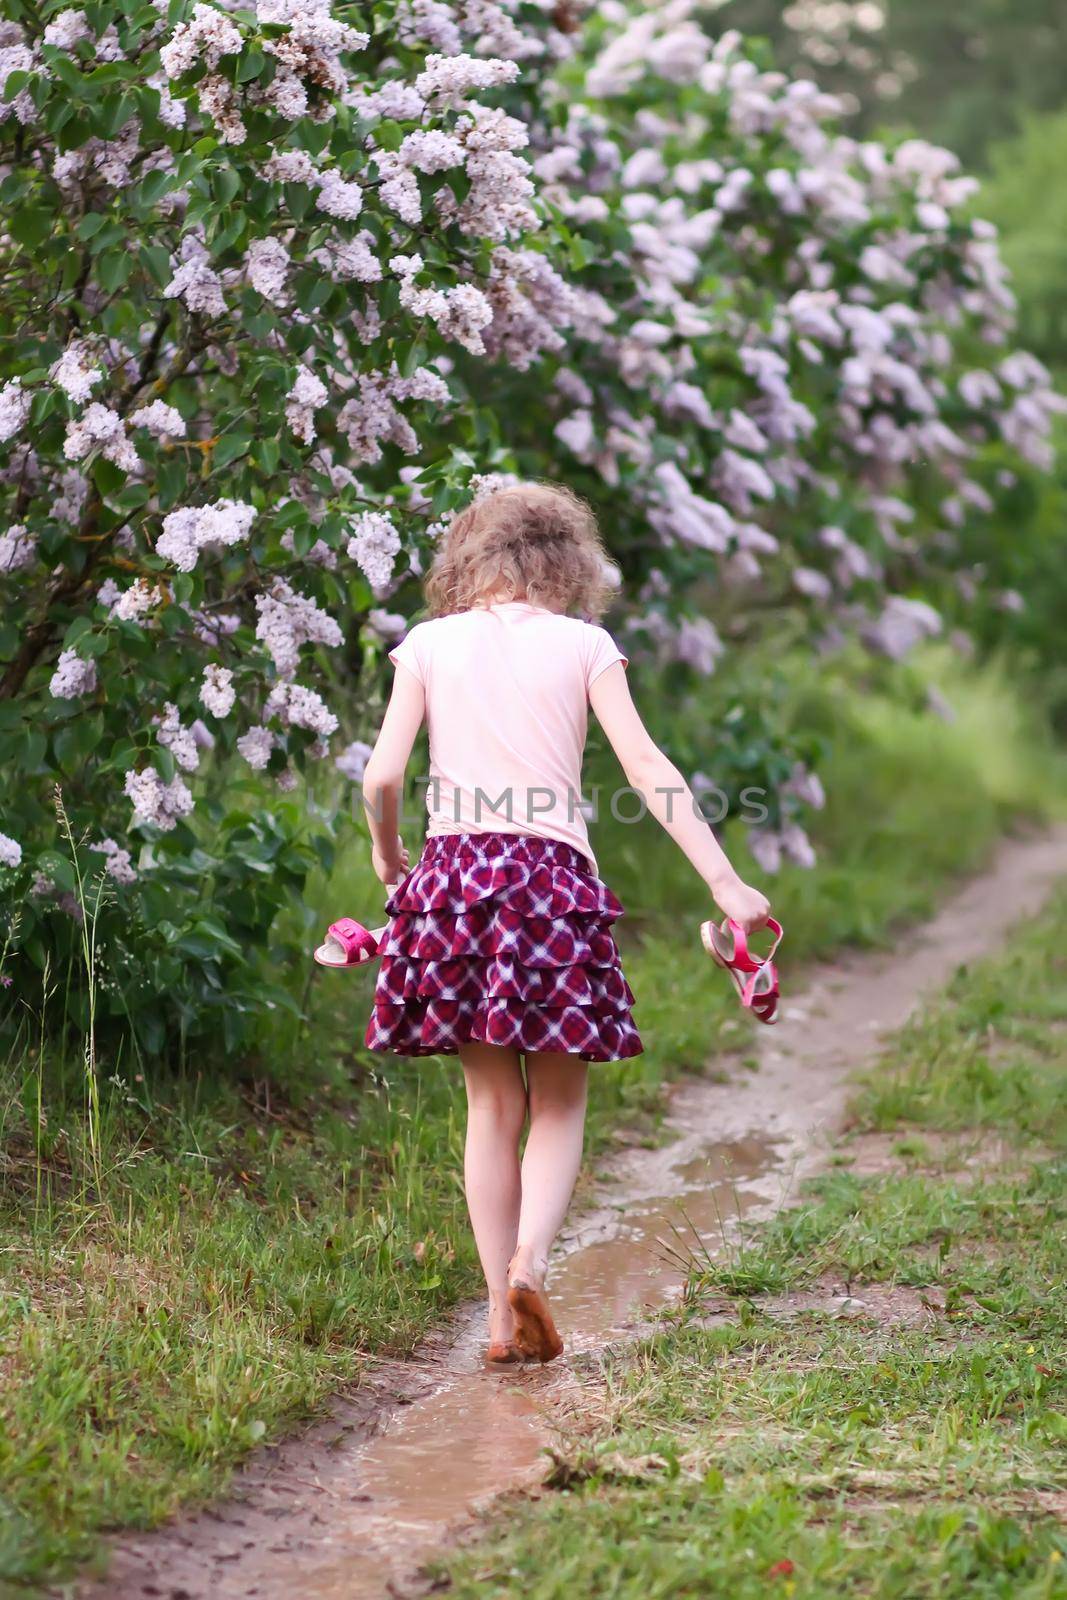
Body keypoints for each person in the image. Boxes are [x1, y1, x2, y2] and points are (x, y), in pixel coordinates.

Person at [360, 481, 770, 1364]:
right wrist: (725, 882)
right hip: (550, 884)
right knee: (558, 1098)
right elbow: (646, 767)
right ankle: (531, 1263)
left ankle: (501, 1319)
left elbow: (381, 777)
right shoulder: (586, 645)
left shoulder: (427, 643)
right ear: (568, 562)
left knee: (488, 1103)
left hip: (454, 880)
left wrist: (390, 859)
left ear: (466, 558)